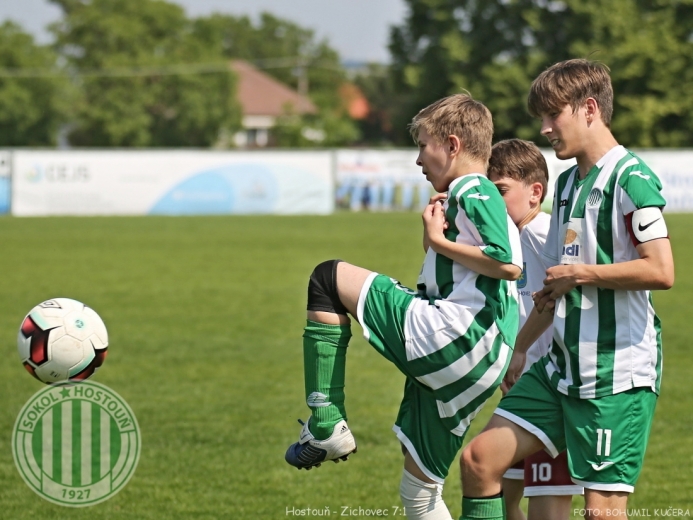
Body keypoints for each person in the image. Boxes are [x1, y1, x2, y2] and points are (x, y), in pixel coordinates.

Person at [284, 93, 523, 520]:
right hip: (481, 361)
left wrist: (437, 241)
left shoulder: (473, 187)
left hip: (458, 340)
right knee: (419, 493)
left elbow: (508, 264)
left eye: (423, 146)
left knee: (327, 278)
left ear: (452, 145)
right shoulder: (466, 195)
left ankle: (325, 424)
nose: (417, 160)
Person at [458, 59, 674, 520]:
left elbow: (661, 270)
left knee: (602, 513)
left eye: (553, 115)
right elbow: (557, 282)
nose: (546, 128)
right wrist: (519, 349)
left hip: (615, 378)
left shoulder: (631, 178)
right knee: (479, 462)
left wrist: (583, 274)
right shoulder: (567, 186)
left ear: (589, 109)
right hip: (559, 370)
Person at [487, 139, 583, 520]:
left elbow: (571, 301)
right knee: (495, 488)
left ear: (535, 193)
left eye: (501, 191)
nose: (493, 202)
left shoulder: (547, 235)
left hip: (554, 389)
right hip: (520, 389)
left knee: (547, 503)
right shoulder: (504, 243)